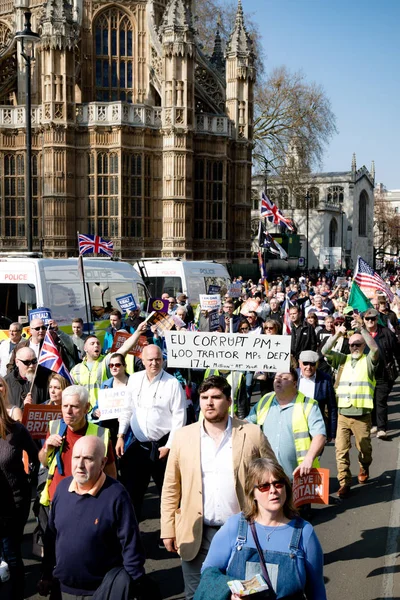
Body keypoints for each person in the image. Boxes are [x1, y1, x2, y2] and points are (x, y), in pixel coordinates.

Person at [160, 375, 276, 600]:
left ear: (229, 400)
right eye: (204, 397)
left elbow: (273, 478)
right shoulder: (183, 436)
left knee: (241, 593)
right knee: (197, 595)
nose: (209, 403)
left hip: (242, 533)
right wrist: (168, 529)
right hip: (195, 533)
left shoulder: (252, 433)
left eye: (215, 397)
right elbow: (171, 486)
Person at [39, 435, 152, 600]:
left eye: (88, 459)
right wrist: (46, 574)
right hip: (62, 590)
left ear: (103, 463)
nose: (80, 465)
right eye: (76, 457)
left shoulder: (116, 495)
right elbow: (51, 537)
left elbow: (131, 546)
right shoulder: (62, 489)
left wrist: (134, 585)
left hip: (102, 592)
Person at [199, 458, 326, 600]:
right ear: (252, 493)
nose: (273, 490)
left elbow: (317, 590)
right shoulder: (234, 526)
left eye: (278, 484)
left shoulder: (304, 532)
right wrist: (230, 594)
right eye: (264, 486)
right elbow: (209, 571)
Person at [116, 344, 187, 519]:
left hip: (163, 446)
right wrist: (120, 435)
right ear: (142, 360)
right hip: (138, 445)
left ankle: (170, 535)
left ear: (163, 360)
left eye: (158, 359)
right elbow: (127, 409)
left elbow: (180, 418)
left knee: (168, 493)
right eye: (150, 360)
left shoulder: (173, 384)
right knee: (132, 492)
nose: (154, 363)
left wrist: (169, 447)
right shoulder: (134, 379)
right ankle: (133, 538)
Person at [321, 314, 379, 498]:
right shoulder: (343, 359)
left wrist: (362, 329)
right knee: (341, 450)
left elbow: (375, 350)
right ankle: (344, 482)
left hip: (362, 415)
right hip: (343, 414)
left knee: (365, 450)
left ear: (363, 346)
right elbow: (325, 352)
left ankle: (364, 466)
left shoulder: (368, 361)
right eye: (352, 344)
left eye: (358, 344)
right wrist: (338, 334)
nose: (354, 347)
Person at [38, 385, 117, 508]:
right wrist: (46, 448)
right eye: (65, 406)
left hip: (87, 501)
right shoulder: (54, 427)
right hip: (57, 499)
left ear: (87, 408)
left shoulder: (101, 434)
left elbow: (111, 474)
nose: (68, 411)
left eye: (74, 406)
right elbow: (44, 462)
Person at [247, 369, 326, 480]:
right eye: (276, 378)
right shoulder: (265, 400)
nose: (278, 380)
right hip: (269, 477)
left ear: (295, 383)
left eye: (284, 378)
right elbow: (246, 424)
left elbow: (320, 435)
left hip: (299, 476)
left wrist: (309, 459)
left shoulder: (308, 405)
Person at [0, 389, 38, 600]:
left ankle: (17, 593)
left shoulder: (16, 430)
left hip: (15, 501)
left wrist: (29, 482)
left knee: (11, 551)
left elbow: (35, 457)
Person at [70, 321, 147, 412]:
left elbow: (124, 348)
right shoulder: (76, 370)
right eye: (92, 344)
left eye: (98, 343)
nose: (96, 345)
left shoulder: (106, 361)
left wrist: (138, 331)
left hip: (102, 411)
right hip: (83, 413)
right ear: (85, 348)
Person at [362, 308, 400, 438]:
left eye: (373, 319)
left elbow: (397, 351)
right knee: (370, 400)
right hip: (367, 373)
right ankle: (374, 424)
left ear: (377, 319)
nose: (370, 321)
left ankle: (382, 428)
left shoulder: (387, 333)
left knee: (380, 400)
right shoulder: (360, 334)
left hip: (384, 373)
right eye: (367, 319)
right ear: (364, 321)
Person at [297, 350, 337, 441]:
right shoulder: (292, 376)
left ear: (317, 364)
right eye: (305, 363)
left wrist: (332, 431)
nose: (308, 367)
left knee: (315, 454)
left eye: (312, 364)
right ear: (300, 363)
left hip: (315, 426)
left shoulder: (325, 379)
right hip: (295, 425)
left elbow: (332, 407)